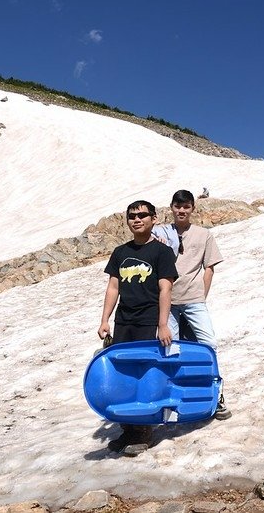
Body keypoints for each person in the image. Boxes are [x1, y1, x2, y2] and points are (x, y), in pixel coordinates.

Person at [97, 200, 178, 456]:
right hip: (124, 321)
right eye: (132, 216)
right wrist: (104, 320)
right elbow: (113, 287)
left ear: (154, 218)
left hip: (148, 321)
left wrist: (162, 324)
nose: (137, 219)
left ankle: (144, 432)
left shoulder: (162, 252)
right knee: (124, 375)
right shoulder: (120, 252)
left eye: (143, 215)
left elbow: (166, 288)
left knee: (146, 375)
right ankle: (128, 429)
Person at [152, 190, 231, 420]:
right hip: (168, 301)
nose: (182, 211)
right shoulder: (161, 233)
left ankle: (216, 397)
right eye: (178, 206)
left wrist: (201, 294)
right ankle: (175, 399)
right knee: (170, 349)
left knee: (208, 345)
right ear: (172, 208)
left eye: (186, 207)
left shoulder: (203, 234)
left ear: (192, 208)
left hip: (194, 300)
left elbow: (209, 267)